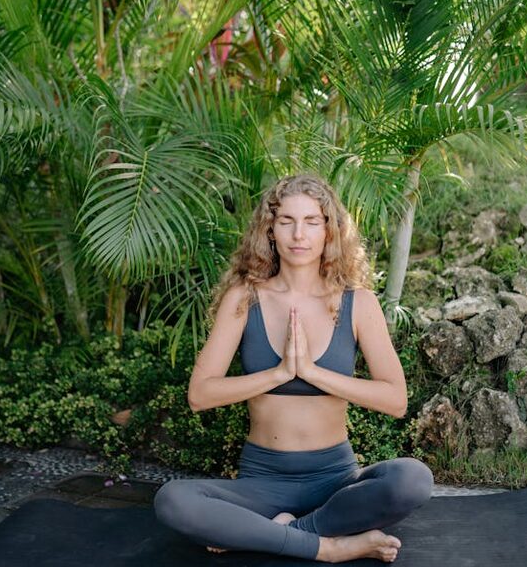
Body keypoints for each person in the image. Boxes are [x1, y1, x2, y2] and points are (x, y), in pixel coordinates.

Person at [153, 173, 433, 563]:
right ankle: (329, 547)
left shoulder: (358, 302)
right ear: (269, 230)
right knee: (172, 500)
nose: (298, 234)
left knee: (413, 479)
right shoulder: (244, 298)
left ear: (329, 231)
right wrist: (280, 373)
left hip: (335, 480)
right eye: (286, 221)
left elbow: (396, 399)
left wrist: (313, 373)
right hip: (262, 483)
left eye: (311, 222)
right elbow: (200, 395)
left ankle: (278, 534)